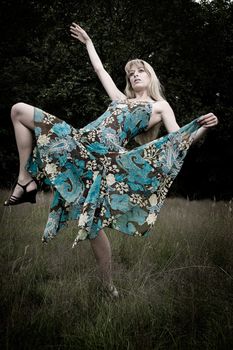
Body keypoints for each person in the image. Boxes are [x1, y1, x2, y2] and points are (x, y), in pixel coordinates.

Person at [4, 23, 218, 297]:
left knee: (92, 225)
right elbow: (100, 70)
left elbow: (178, 140)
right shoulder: (118, 98)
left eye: (140, 71)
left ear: (150, 76)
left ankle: (107, 286)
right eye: (131, 73)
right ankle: (25, 179)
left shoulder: (158, 106)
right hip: (80, 144)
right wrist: (89, 42)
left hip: (103, 161)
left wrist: (202, 128)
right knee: (19, 111)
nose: (135, 75)